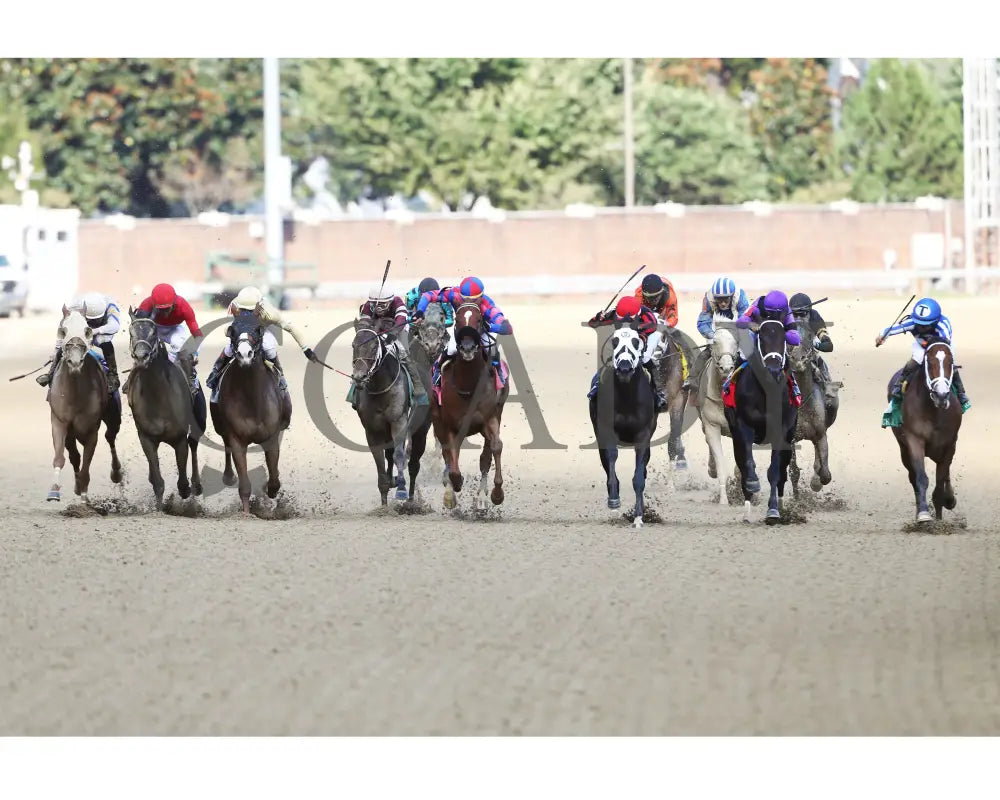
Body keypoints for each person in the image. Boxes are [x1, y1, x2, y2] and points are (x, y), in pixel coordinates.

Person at [205, 286, 319, 401]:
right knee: (229, 348)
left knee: (269, 348)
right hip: (242, 329)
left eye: (250, 311)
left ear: (260, 306)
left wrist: (306, 349)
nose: (247, 313)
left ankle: (280, 375)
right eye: (244, 310)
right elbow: (227, 331)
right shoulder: (234, 306)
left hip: (262, 328)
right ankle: (216, 372)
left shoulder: (270, 313)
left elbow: (291, 328)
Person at [411, 276, 513, 390]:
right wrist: (420, 310)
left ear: (481, 296)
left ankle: (499, 372)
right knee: (450, 350)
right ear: (461, 295)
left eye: (474, 300)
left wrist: (490, 326)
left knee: (491, 348)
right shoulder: (455, 294)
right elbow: (428, 295)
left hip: (479, 332)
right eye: (464, 299)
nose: (468, 302)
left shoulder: (487, 305)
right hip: (460, 332)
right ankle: (437, 371)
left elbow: (507, 328)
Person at [876, 297, 970, 411]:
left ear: (935, 321)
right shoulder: (912, 322)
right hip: (921, 346)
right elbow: (892, 329)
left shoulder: (944, 325)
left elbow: (944, 345)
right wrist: (882, 336)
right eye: (919, 323)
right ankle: (899, 384)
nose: (921, 327)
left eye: (925, 325)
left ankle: (961, 393)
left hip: (941, 346)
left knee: (946, 362)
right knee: (917, 359)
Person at [586, 295, 669, 413]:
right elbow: (592, 324)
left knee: (646, 359)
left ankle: (660, 392)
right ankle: (596, 385)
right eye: (621, 319)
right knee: (609, 360)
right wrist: (599, 317)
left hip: (642, 339)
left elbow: (652, 326)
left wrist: (638, 333)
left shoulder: (646, 314)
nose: (624, 321)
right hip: (622, 341)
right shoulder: (614, 313)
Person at [355, 283, 428, 408]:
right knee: (363, 351)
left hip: (397, 329)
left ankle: (418, 388)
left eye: (382, 305)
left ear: (390, 301)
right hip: (376, 329)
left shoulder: (398, 303)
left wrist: (392, 334)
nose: (378, 308)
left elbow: (400, 322)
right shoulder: (367, 306)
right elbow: (363, 325)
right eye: (375, 305)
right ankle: (355, 391)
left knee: (403, 352)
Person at [123, 283, 203, 395]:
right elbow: (140, 330)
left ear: (174, 304)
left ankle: (190, 377)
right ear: (154, 304)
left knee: (181, 346)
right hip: (155, 327)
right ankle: (134, 374)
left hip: (175, 328)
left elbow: (195, 331)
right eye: (160, 309)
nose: (164, 313)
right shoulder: (146, 304)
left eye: (167, 309)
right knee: (144, 347)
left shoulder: (183, 306)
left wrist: (195, 352)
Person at [36, 292, 122, 394]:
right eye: (90, 320)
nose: (93, 323)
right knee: (69, 342)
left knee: (104, 342)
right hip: (82, 327)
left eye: (96, 320)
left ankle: (113, 375)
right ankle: (51, 374)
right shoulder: (75, 308)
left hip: (102, 331)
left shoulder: (111, 306)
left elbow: (114, 326)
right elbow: (63, 329)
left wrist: (95, 330)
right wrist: (56, 350)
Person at [734, 289, 802, 402]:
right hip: (757, 335)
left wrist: (779, 333)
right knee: (744, 353)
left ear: (784, 311)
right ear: (765, 309)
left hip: (774, 342)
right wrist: (753, 325)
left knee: (786, 358)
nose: (776, 316)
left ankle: (794, 387)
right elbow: (740, 322)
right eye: (771, 313)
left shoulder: (788, 312)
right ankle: (732, 380)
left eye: (779, 314)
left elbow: (796, 339)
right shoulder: (757, 305)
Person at [685, 276, 750, 390]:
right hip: (717, 330)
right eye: (719, 300)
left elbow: (745, 320)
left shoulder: (740, 297)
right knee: (706, 352)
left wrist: (739, 338)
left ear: (732, 296)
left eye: (726, 300)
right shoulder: (708, 299)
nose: (723, 304)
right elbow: (703, 322)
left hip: (737, 327)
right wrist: (712, 336)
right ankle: (692, 379)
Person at [789, 292, 838, 405]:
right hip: (789, 353)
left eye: (802, 315)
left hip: (809, 353)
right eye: (795, 315)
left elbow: (829, 346)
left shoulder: (815, 318)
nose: (798, 318)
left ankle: (829, 391)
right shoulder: (786, 318)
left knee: (821, 364)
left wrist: (814, 344)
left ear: (809, 313)